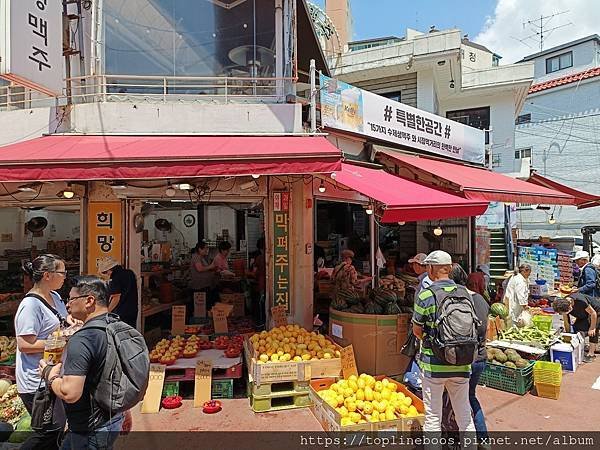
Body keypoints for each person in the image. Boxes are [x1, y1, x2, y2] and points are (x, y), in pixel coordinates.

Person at [40, 276, 132, 449]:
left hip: (91, 426)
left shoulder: (82, 340)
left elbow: (70, 393)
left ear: (89, 301)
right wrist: (124, 409)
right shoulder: (115, 325)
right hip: (113, 417)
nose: (67, 305)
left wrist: (50, 375)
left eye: (71, 299)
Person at [412, 250, 476, 440]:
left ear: (431, 269)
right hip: (462, 363)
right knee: (464, 416)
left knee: (432, 417)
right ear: (449, 268)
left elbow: (417, 330)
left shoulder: (426, 295)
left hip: (434, 366)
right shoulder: (466, 293)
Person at [15, 254, 68, 450]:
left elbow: (63, 319)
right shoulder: (30, 305)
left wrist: (72, 323)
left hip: (53, 375)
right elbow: (25, 345)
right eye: (62, 272)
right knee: (49, 432)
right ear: (47, 275)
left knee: (57, 429)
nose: (65, 276)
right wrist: (61, 341)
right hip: (35, 381)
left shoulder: (55, 296)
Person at [449, 263, 489, 441]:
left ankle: (459, 437)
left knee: (454, 399)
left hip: (459, 358)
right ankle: (482, 438)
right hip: (479, 356)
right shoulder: (480, 299)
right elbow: (481, 329)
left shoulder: (452, 300)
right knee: (470, 396)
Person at [552, 293, 600, 363]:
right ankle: (580, 347)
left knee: (592, 331)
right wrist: (568, 334)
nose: (568, 312)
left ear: (570, 304)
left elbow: (593, 313)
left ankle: (591, 353)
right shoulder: (563, 305)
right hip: (584, 313)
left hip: (596, 312)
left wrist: (592, 328)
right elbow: (566, 321)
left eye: (569, 310)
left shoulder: (580, 301)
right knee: (577, 327)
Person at [98, 256, 139, 329]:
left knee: (121, 335)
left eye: (105, 272)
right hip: (133, 309)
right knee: (131, 332)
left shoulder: (115, 278)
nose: (106, 274)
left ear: (109, 269)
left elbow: (116, 298)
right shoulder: (130, 273)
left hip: (121, 312)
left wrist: (106, 312)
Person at [189, 241, 217, 307]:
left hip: (206, 286)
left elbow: (205, 269)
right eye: (205, 248)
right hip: (199, 287)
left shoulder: (202, 258)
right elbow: (200, 269)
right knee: (201, 309)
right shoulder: (196, 257)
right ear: (199, 249)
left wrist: (214, 270)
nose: (207, 250)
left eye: (207, 248)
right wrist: (211, 266)